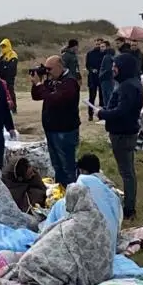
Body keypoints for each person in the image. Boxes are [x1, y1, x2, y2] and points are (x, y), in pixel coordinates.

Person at [97, 51, 143, 218]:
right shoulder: (131, 83)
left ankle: (130, 209)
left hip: (123, 133)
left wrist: (103, 113)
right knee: (128, 170)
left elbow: (122, 111)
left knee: (127, 172)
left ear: (124, 67)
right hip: (126, 131)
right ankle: (129, 205)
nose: (113, 69)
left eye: (116, 66)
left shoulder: (127, 86)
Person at [31, 54, 81, 185]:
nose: (47, 71)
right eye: (45, 69)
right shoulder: (51, 80)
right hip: (51, 129)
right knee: (57, 166)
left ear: (60, 67)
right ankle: (61, 193)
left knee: (67, 167)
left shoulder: (70, 83)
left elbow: (54, 99)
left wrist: (39, 85)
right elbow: (37, 96)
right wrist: (36, 82)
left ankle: (72, 192)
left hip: (65, 131)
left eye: (50, 69)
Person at [84, 38, 106, 120]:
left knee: (102, 97)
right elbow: (87, 65)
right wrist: (92, 69)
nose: (98, 46)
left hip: (101, 78)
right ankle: (90, 114)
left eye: (99, 44)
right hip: (92, 78)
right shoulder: (90, 53)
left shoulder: (104, 54)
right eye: (97, 44)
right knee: (92, 97)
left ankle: (101, 114)